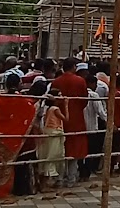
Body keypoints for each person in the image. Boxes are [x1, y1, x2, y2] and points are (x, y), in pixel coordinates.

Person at [0, 74, 38, 199]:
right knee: (8, 165)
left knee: (0, 163)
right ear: (18, 84)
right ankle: (3, 191)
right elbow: (30, 109)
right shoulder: (20, 99)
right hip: (13, 136)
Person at [50, 58, 89, 187]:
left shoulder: (56, 81)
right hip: (76, 118)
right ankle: (71, 178)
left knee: (60, 148)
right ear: (73, 67)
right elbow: (84, 101)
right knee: (75, 149)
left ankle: (60, 178)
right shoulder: (80, 81)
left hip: (59, 118)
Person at [36, 94, 65, 191]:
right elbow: (66, 119)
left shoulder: (48, 109)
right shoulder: (55, 109)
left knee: (47, 155)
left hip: (48, 132)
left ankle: (45, 183)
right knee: (52, 156)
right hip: (54, 133)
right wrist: (66, 105)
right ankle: (45, 184)